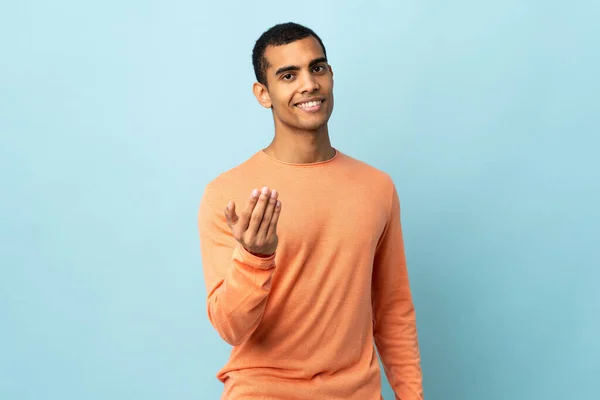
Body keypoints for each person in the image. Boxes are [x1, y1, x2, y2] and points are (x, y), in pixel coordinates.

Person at [198, 22, 423, 400]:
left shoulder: (377, 187)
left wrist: (411, 396)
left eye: (317, 68)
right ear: (263, 94)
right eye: (288, 75)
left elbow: (392, 310)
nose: (308, 84)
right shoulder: (227, 194)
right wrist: (255, 257)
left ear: (330, 75)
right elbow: (230, 328)